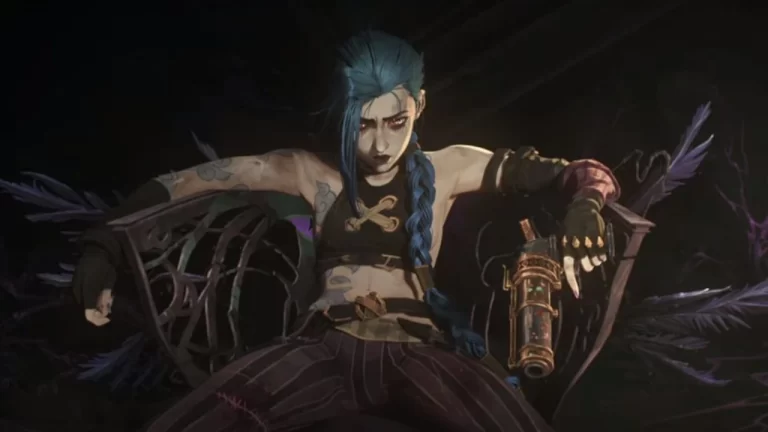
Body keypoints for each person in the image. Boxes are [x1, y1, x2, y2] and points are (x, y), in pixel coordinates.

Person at [72, 31, 619, 432]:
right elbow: (183, 182)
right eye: (364, 125)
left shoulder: (450, 166)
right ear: (342, 116)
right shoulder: (310, 172)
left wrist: (587, 205)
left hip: (420, 349)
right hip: (323, 347)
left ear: (419, 105)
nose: (380, 144)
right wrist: (103, 246)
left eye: (396, 122)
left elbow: (580, 172)